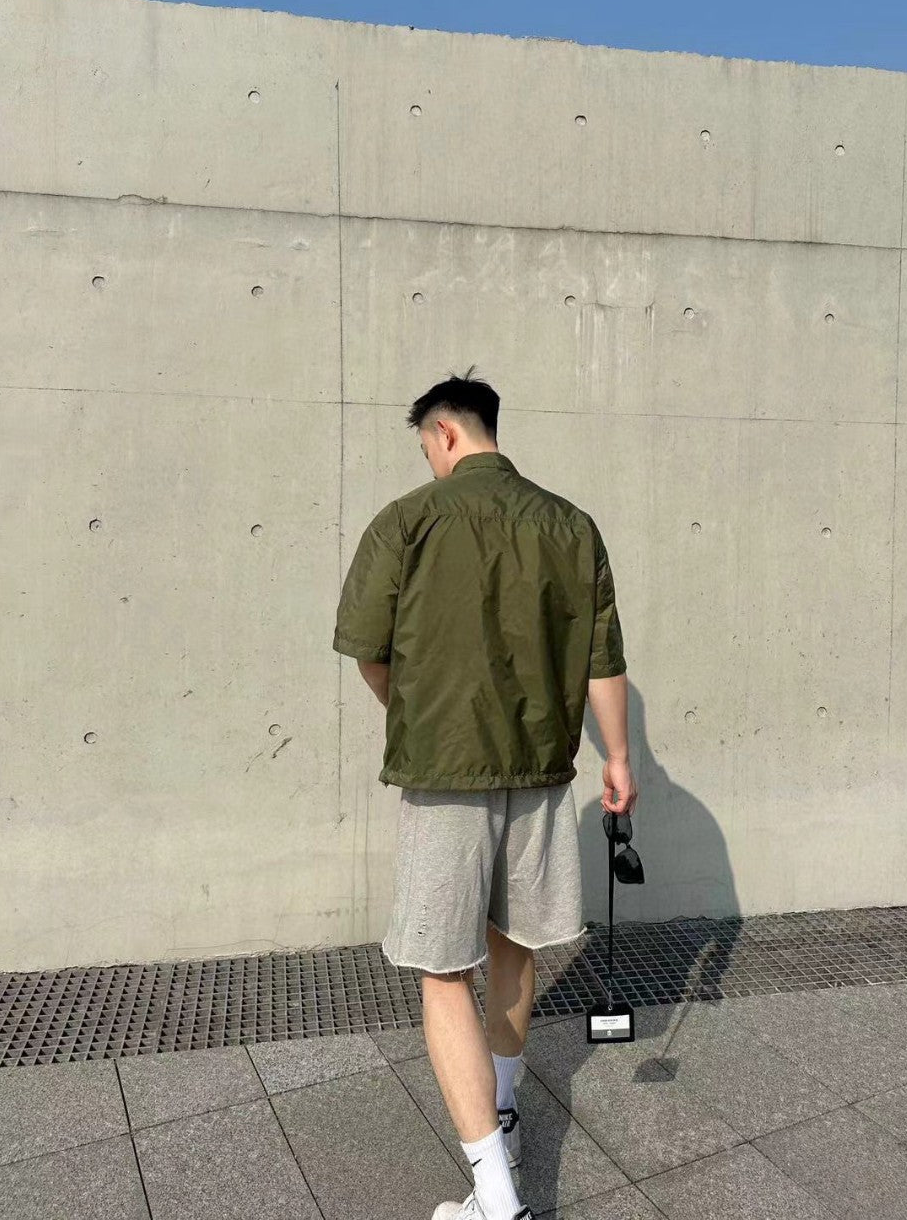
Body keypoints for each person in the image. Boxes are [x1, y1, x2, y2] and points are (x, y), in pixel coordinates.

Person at [332, 367, 637, 1220]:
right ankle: (503, 1117)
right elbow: (602, 658)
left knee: (441, 972)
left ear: (444, 432)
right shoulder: (571, 525)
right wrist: (618, 757)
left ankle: (496, 1199)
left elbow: (369, 649)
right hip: (541, 770)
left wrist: (417, 712)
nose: (430, 460)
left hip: (446, 776)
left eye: (426, 445)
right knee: (515, 947)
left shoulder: (408, 521)